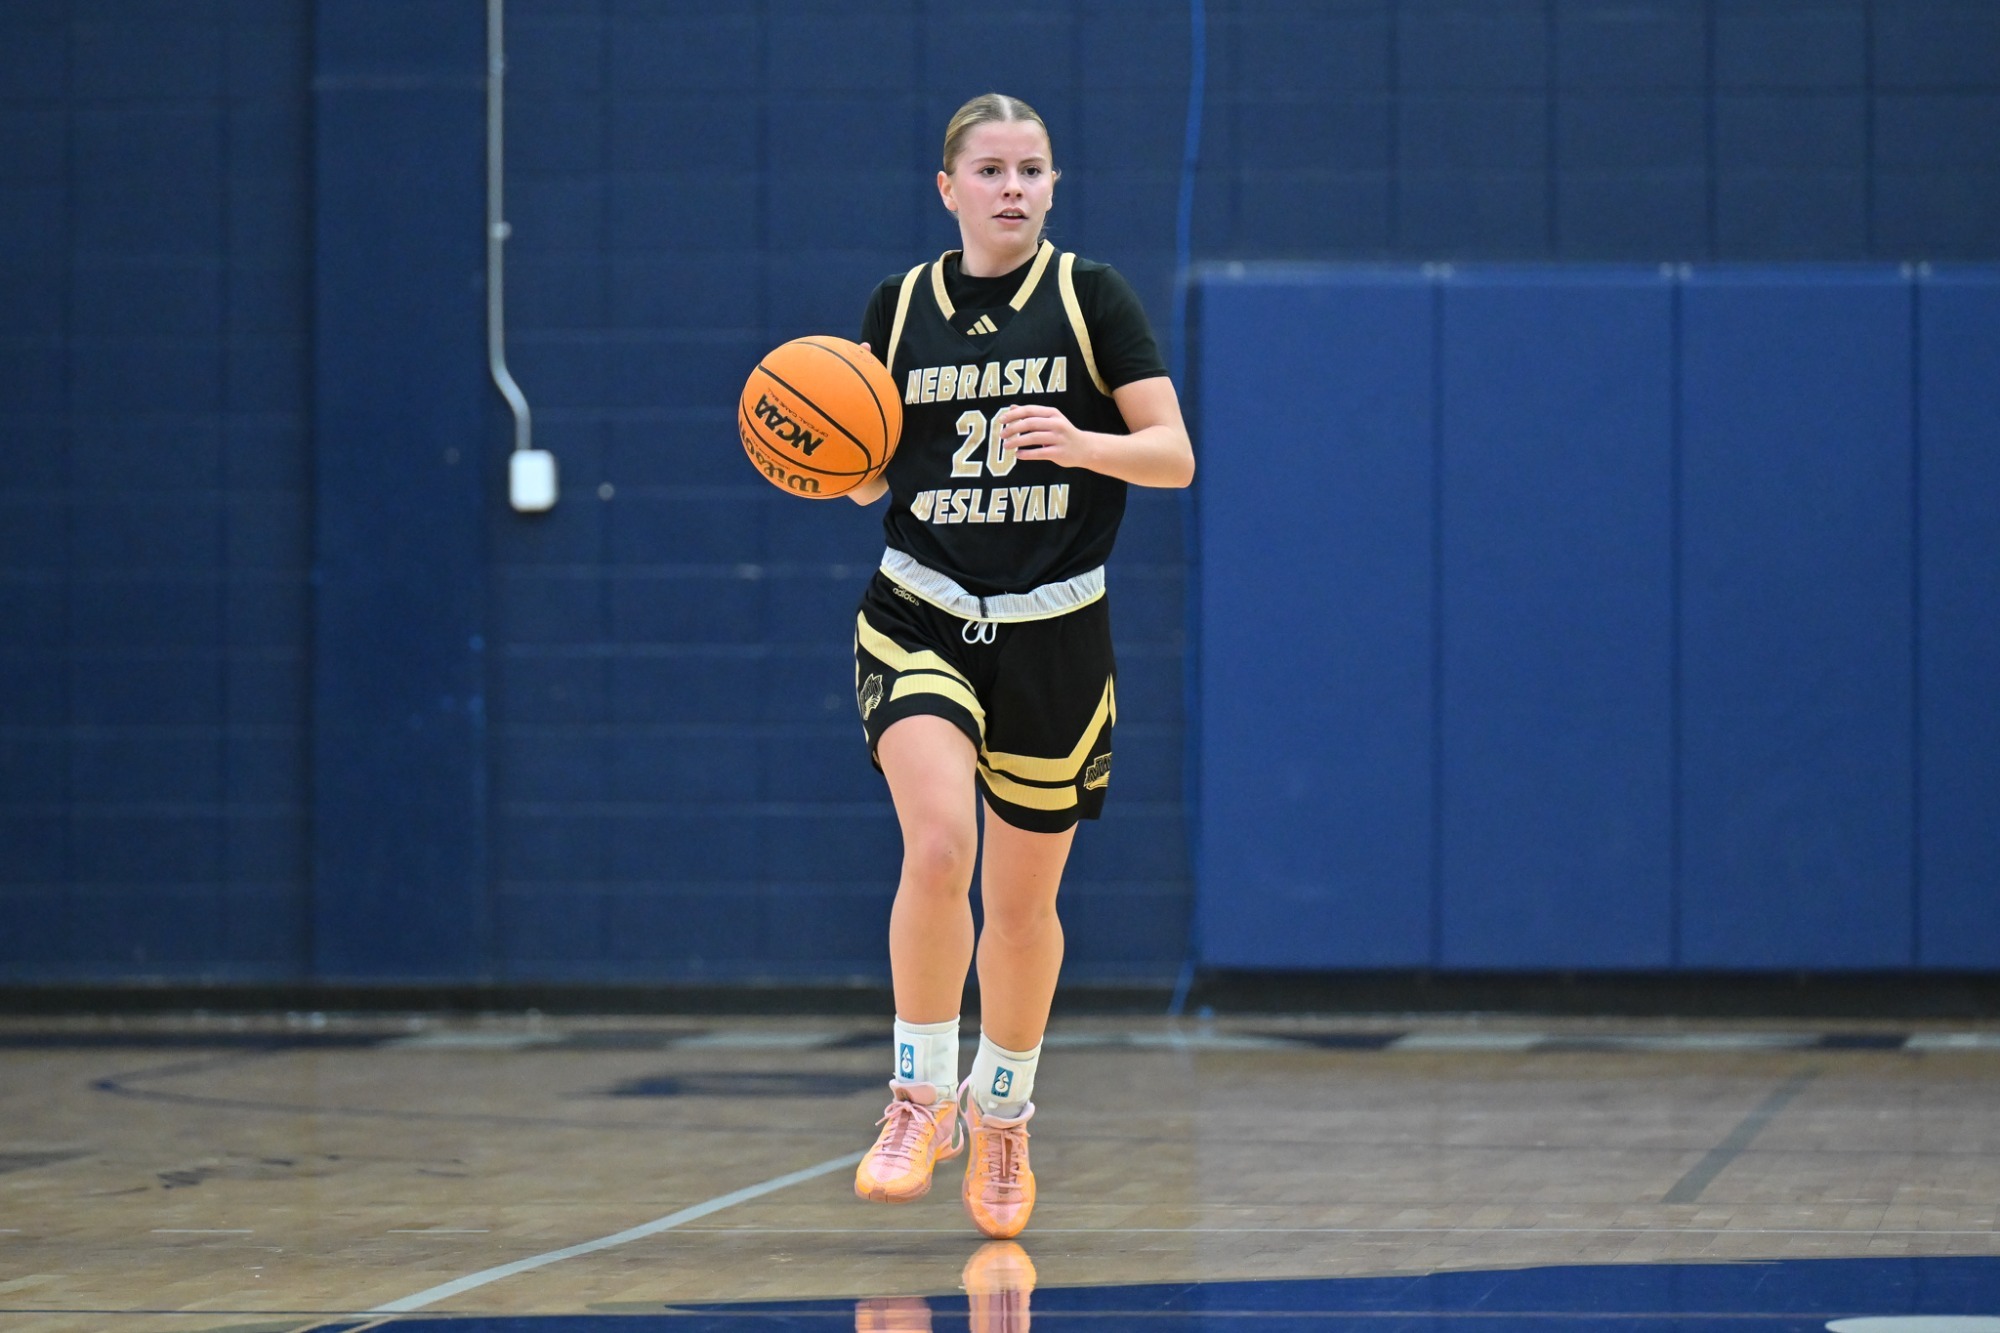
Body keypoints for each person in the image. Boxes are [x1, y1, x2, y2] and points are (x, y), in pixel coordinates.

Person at [845, 92, 1194, 1239]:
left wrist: (1081, 440)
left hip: (1056, 626)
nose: (1011, 188)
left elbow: (1173, 456)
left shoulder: (1091, 299)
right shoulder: (898, 310)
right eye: (988, 170)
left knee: (1022, 900)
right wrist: (825, 458)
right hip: (923, 611)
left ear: (1051, 186)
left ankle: (1001, 1112)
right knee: (939, 840)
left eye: (1030, 169)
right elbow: (863, 470)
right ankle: (916, 1095)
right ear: (946, 188)